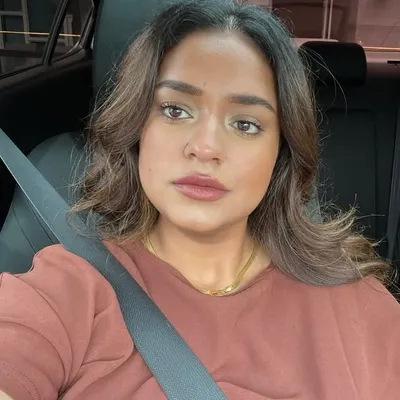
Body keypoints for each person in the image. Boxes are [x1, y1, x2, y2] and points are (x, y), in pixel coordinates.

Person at [0, 0, 399, 399]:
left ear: (281, 153)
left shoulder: (361, 310)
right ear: (137, 128)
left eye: (246, 124)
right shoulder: (68, 290)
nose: (205, 148)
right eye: (175, 111)